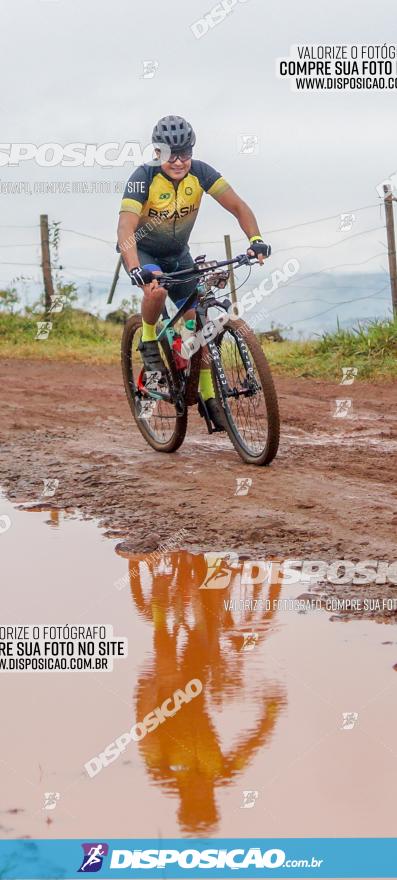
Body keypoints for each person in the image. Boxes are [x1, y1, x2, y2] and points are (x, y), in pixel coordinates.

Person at [117, 114, 270, 430]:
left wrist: (255, 240)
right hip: (144, 253)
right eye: (170, 154)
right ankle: (148, 343)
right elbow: (125, 227)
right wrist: (134, 266)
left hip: (178, 254)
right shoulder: (141, 177)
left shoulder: (201, 173)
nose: (178, 161)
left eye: (184, 153)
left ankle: (209, 396)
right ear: (157, 152)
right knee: (156, 289)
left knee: (197, 323)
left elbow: (238, 206)